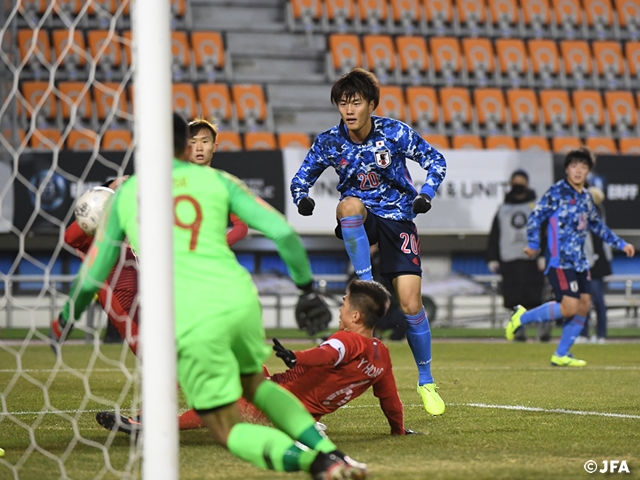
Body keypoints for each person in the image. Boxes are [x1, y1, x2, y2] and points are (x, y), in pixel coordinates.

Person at [50, 113, 367, 479]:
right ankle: (332, 453)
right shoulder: (219, 180)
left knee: (225, 427)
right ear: (186, 146)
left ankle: (316, 464)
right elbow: (283, 233)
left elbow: (91, 275)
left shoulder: (128, 195)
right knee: (256, 386)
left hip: (190, 313)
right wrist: (307, 290)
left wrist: (63, 320)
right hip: (239, 299)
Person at [290, 68, 446, 416]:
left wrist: (427, 193)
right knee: (348, 204)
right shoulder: (330, 140)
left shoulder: (394, 132)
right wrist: (302, 198)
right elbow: (301, 178)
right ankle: (366, 278)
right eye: (343, 103)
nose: (348, 109)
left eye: (356, 102)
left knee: (410, 304)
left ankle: (426, 380)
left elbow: (436, 159)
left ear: (371, 105)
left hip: (399, 219)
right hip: (362, 217)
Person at [506, 147, 635, 366]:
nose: (578, 170)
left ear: (588, 171)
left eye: (583, 166)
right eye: (574, 166)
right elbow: (536, 217)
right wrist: (534, 243)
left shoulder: (586, 197)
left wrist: (620, 243)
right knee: (569, 307)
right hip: (560, 261)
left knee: (584, 305)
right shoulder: (557, 192)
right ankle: (521, 317)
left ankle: (561, 354)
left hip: (581, 262)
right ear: (567, 169)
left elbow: (597, 226)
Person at [486, 169, 548, 342]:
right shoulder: (503, 209)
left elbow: (545, 233)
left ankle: (542, 329)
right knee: (514, 298)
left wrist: (544, 255)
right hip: (509, 259)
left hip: (532, 259)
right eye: (515, 181)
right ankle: (518, 329)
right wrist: (492, 257)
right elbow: (495, 235)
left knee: (536, 298)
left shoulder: (536, 206)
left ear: (527, 184)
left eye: (521, 181)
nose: (518, 185)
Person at [576, 186, 612, 344]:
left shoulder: (595, 212)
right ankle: (584, 333)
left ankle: (601, 334)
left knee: (597, 299)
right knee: (584, 299)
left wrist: (595, 258)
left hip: (596, 262)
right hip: (586, 260)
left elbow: (597, 240)